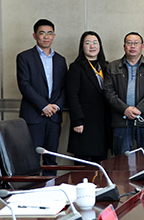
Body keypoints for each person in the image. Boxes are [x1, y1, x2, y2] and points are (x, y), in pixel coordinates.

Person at [16, 19, 68, 174]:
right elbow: (24, 85)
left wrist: (56, 106)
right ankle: (32, 189)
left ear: (54, 36)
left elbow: (65, 88)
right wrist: (44, 106)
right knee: (31, 160)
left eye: (50, 33)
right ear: (35, 35)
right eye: (42, 33)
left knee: (51, 161)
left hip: (54, 118)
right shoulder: (24, 57)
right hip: (33, 116)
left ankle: (51, 188)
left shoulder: (60, 60)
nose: (46, 36)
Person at [104, 32, 144, 155]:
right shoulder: (112, 67)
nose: (132, 46)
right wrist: (125, 109)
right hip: (121, 121)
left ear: (142, 46)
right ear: (124, 46)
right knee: (122, 159)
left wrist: (139, 109)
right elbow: (109, 92)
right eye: (129, 43)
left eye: (136, 43)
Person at [65, 31, 110, 163]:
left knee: (101, 163)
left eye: (95, 43)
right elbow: (72, 96)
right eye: (88, 43)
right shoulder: (76, 67)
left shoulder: (106, 67)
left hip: (103, 123)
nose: (92, 46)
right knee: (83, 164)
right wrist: (77, 120)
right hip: (85, 123)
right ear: (82, 46)